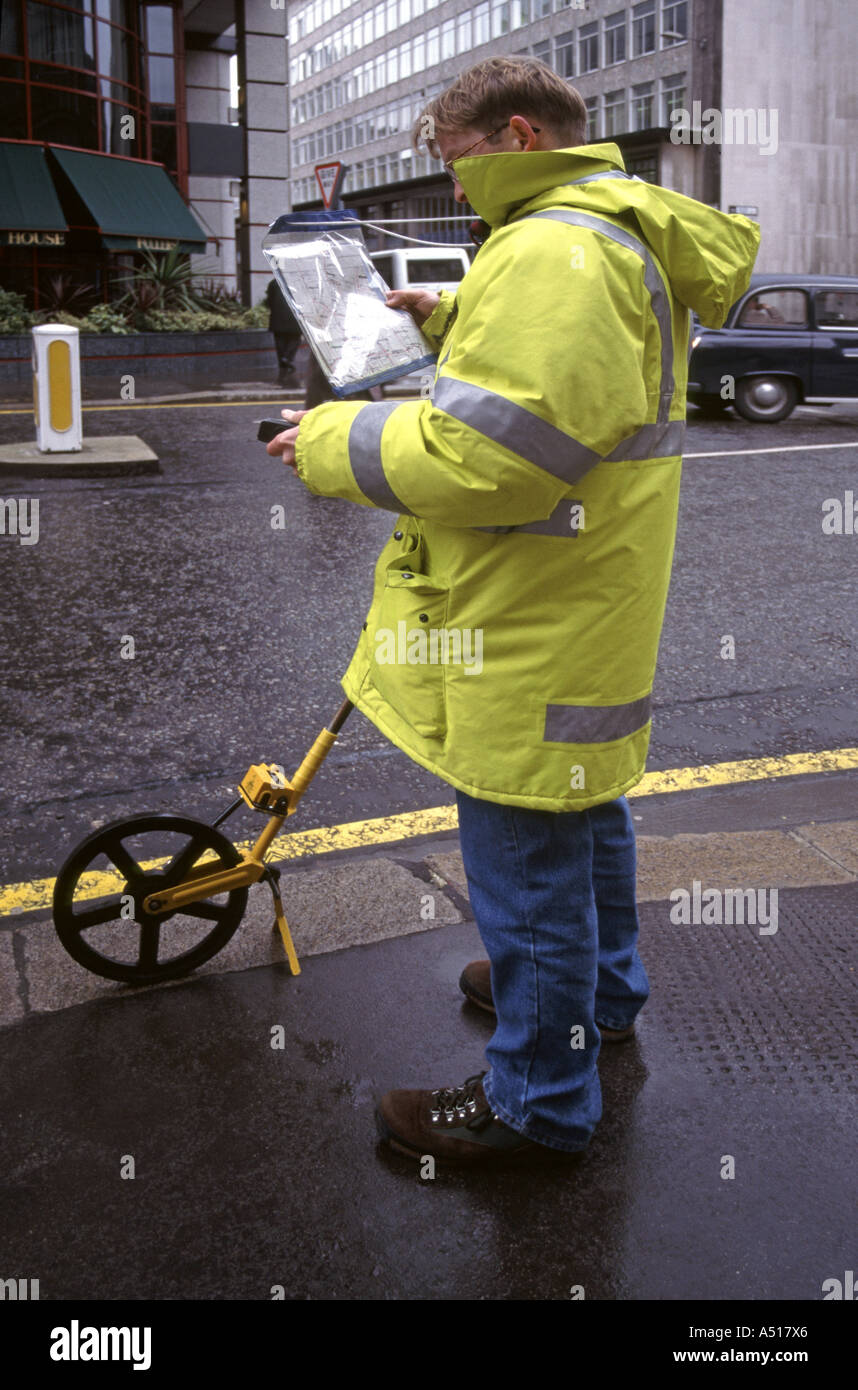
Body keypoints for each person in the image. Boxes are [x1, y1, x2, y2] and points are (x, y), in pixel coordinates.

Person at [266, 57, 760, 1166]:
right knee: (580, 806)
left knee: (524, 845)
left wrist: (335, 443)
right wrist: (446, 316)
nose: (453, 177)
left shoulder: (550, 249)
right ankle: (603, 991)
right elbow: (571, 387)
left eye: (458, 157)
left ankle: (537, 1101)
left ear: (518, 133)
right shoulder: (596, 232)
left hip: (525, 612)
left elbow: (494, 461)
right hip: (587, 598)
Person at [265, 278, 302, 386]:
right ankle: (287, 359)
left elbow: (269, 302)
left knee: (280, 348)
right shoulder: (299, 282)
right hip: (294, 321)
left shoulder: (273, 283)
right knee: (294, 342)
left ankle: (281, 376)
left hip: (278, 321)